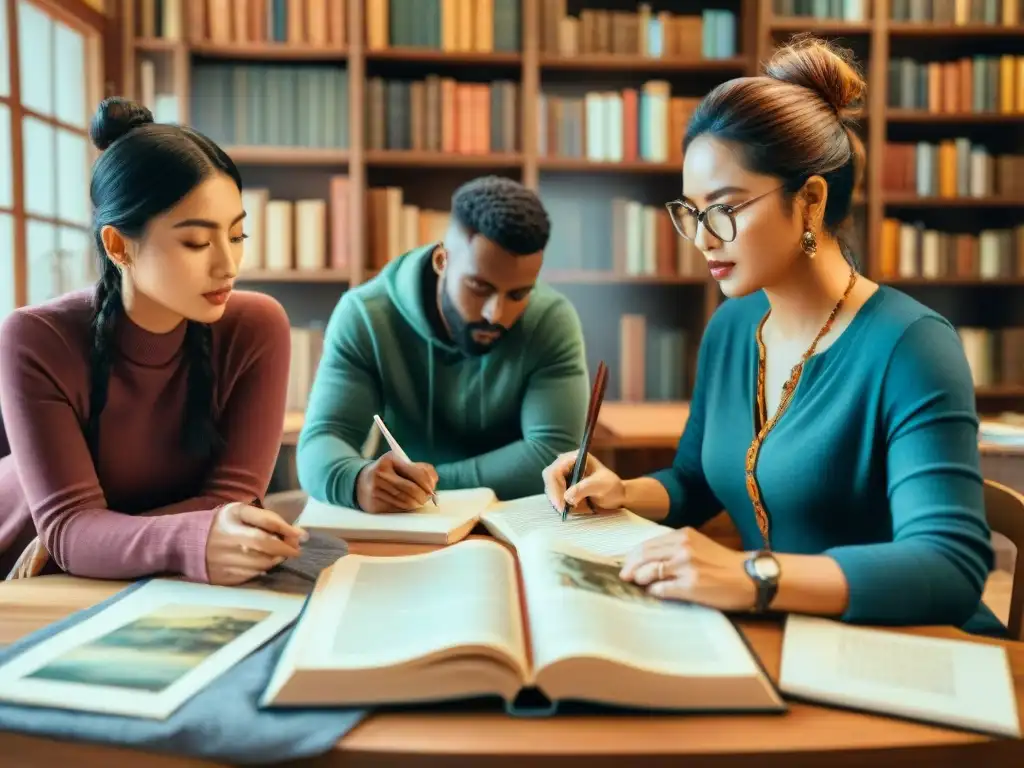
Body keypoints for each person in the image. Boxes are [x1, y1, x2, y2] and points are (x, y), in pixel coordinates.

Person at [542, 36, 1004, 637]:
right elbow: (697, 480)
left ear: (810, 200)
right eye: (692, 211)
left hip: (908, 652)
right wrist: (620, 491)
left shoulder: (912, 347)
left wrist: (751, 574)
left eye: (725, 208)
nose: (704, 238)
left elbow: (949, 567)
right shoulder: (733, 327)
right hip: (778, 633)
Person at [0, 97, 306, 584]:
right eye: (197, 242)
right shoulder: (36, 337)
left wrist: (97, 541)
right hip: (26, 573)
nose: (228, 265)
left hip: (122, 575)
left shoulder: (257, 327)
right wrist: (82, 540)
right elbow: (66, 528)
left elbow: (231, 502)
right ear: (118, 245)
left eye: (237, 235)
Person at [298, 175, 590, 513]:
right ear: (442, 261)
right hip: (409, 522)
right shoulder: (365, 315)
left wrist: (422, 483)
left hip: (516, 519)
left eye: (519, 294)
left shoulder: (552, 319)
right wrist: (357, 479)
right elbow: (322, 440)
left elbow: (552, 454)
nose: (496, 313)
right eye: (479, 287)